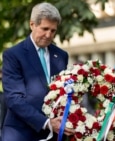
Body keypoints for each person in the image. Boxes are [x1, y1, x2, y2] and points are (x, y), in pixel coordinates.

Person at [1, 2, 74, 141]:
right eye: (44, 28)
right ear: (32, 24)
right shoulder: (13, 55)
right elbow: (14, 99)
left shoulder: (61, 56)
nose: (48, 35)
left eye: (53, 31)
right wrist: (46, 123)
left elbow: (64, 93)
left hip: (54, 134)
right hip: (21, 134)